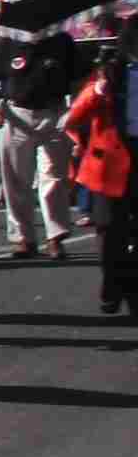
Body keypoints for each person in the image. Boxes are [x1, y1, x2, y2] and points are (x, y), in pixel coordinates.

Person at [0, 32, 87, 259]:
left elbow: (79, 77)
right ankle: (23, 238)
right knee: (16, 179)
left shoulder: (62, 41)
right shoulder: (8, 41)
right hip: (17, 113)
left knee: (54, 177)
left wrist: (73, 111)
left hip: (54, 112)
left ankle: (55, 237)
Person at [70, 32, 135, 318]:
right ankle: (112, 285)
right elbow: (74, 117)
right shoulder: (110, 75)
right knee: (110, 235)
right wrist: (98, 90)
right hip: (109, 165)